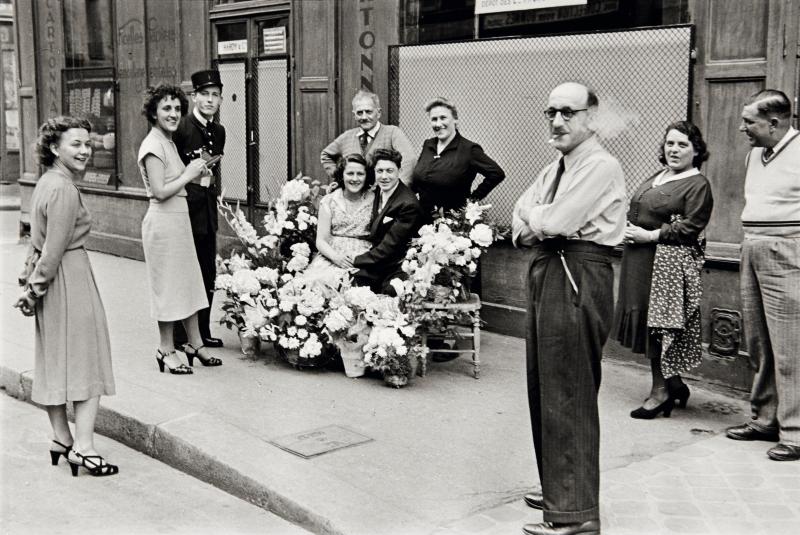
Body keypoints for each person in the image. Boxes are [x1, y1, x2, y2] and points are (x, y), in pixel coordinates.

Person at [512, 82, 626, 535]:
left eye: (568, 113)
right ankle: (559, 485)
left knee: (569, 390)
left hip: (577, 272)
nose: (557, 122)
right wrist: (539, 223)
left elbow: (554, 221)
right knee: (545, 384)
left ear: (591, 118)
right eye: (551, 112)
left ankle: (577, 514)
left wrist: (539, 221)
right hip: (551, 267)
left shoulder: (600, 165)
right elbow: (521, 212)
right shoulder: (558, 165)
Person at [14, 116, 118, 477]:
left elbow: (37, 241)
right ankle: (84, 448)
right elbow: (54, 249)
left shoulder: (46, 183)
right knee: (88, 362)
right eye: (75, 144)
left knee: (55, 361)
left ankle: (62, 438)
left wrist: (31, 282)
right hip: (69, 279)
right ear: (55, 148)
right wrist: (35, 287)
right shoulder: (64, 189)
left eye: (88, 144)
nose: (85, 150)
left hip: (52, 282)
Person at [613, 121, 713, 419]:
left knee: (658, 324)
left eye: (682, 144)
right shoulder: (660, 176)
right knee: (648, 319)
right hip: (639, 260)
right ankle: (675, 383)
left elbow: (692, 227)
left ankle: (660, 392)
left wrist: (651, 236)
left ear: (696, 151)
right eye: (670, 143)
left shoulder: (698, 185)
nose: (674, 149)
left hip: (665, 266)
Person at [726, 89, 800, 462]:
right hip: (752, 246)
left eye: (749, 122)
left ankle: (796, 431)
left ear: (774, 123)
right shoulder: (756, 154)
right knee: (759, 341)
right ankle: (766, 418)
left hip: (787, 250)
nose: (742, 128)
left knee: (791, 346)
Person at [138, 84, 222, 375]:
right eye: (166, 109)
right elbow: (160, 191)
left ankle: (194, 345)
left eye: (176, 109)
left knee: (189, 282)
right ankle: (166, 349)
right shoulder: (153, 145)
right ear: (153, 113)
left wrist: (198, 175)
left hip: (179, 219)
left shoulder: (169, 142)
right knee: (168, 288)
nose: (173, 114)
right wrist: (189, 173)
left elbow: (177, 184)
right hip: (162, 222)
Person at [172, 69, 227, 349]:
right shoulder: (181, 128)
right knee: (185, 272)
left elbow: (213, 170)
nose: (209, 100)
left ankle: (202, 332)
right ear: (194, 97)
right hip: (184, 210)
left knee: (207, 272)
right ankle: (181, 336)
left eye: (215, 95)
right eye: (204, 94)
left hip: (207, 211)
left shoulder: (218, 131)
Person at [412, 97, 505, 222]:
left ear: (455, 119)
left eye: (443, 118)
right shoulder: (428, 145)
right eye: (434, 119)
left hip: (451, 223)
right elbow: (418, 179)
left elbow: (496, 173)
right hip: (420, 218)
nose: (438, 124)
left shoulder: (469, 149)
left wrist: (472, 201)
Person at [352, 148, 422, 295]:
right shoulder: (379, 189)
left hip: (396, 264)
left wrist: (355, 260)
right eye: (380, 171)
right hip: (378, 257)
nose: (384, 176)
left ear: (399, 170)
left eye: (389, 171)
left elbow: (389, 246)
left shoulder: (408, 204)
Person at [304, 153, 375, 287]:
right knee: (321, 285)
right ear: (342, 175)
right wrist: (336, 258)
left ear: (367, 176)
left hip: (363, 256)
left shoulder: (376, 201)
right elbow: (321, 240)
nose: (355, 178)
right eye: (350, 173)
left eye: (360, 174)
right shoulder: (329, 201)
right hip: (332, 255)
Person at [320, 90, 416, 186]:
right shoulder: (347, 136)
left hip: (382, 196)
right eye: (360, 113)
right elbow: (326, 155)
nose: (364, 117)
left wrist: (397, 189)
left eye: (368, 112)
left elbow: (409, 161)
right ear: (354, 115)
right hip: (354, 196)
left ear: (378, 113)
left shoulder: (392, 133)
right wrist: (341, 178)